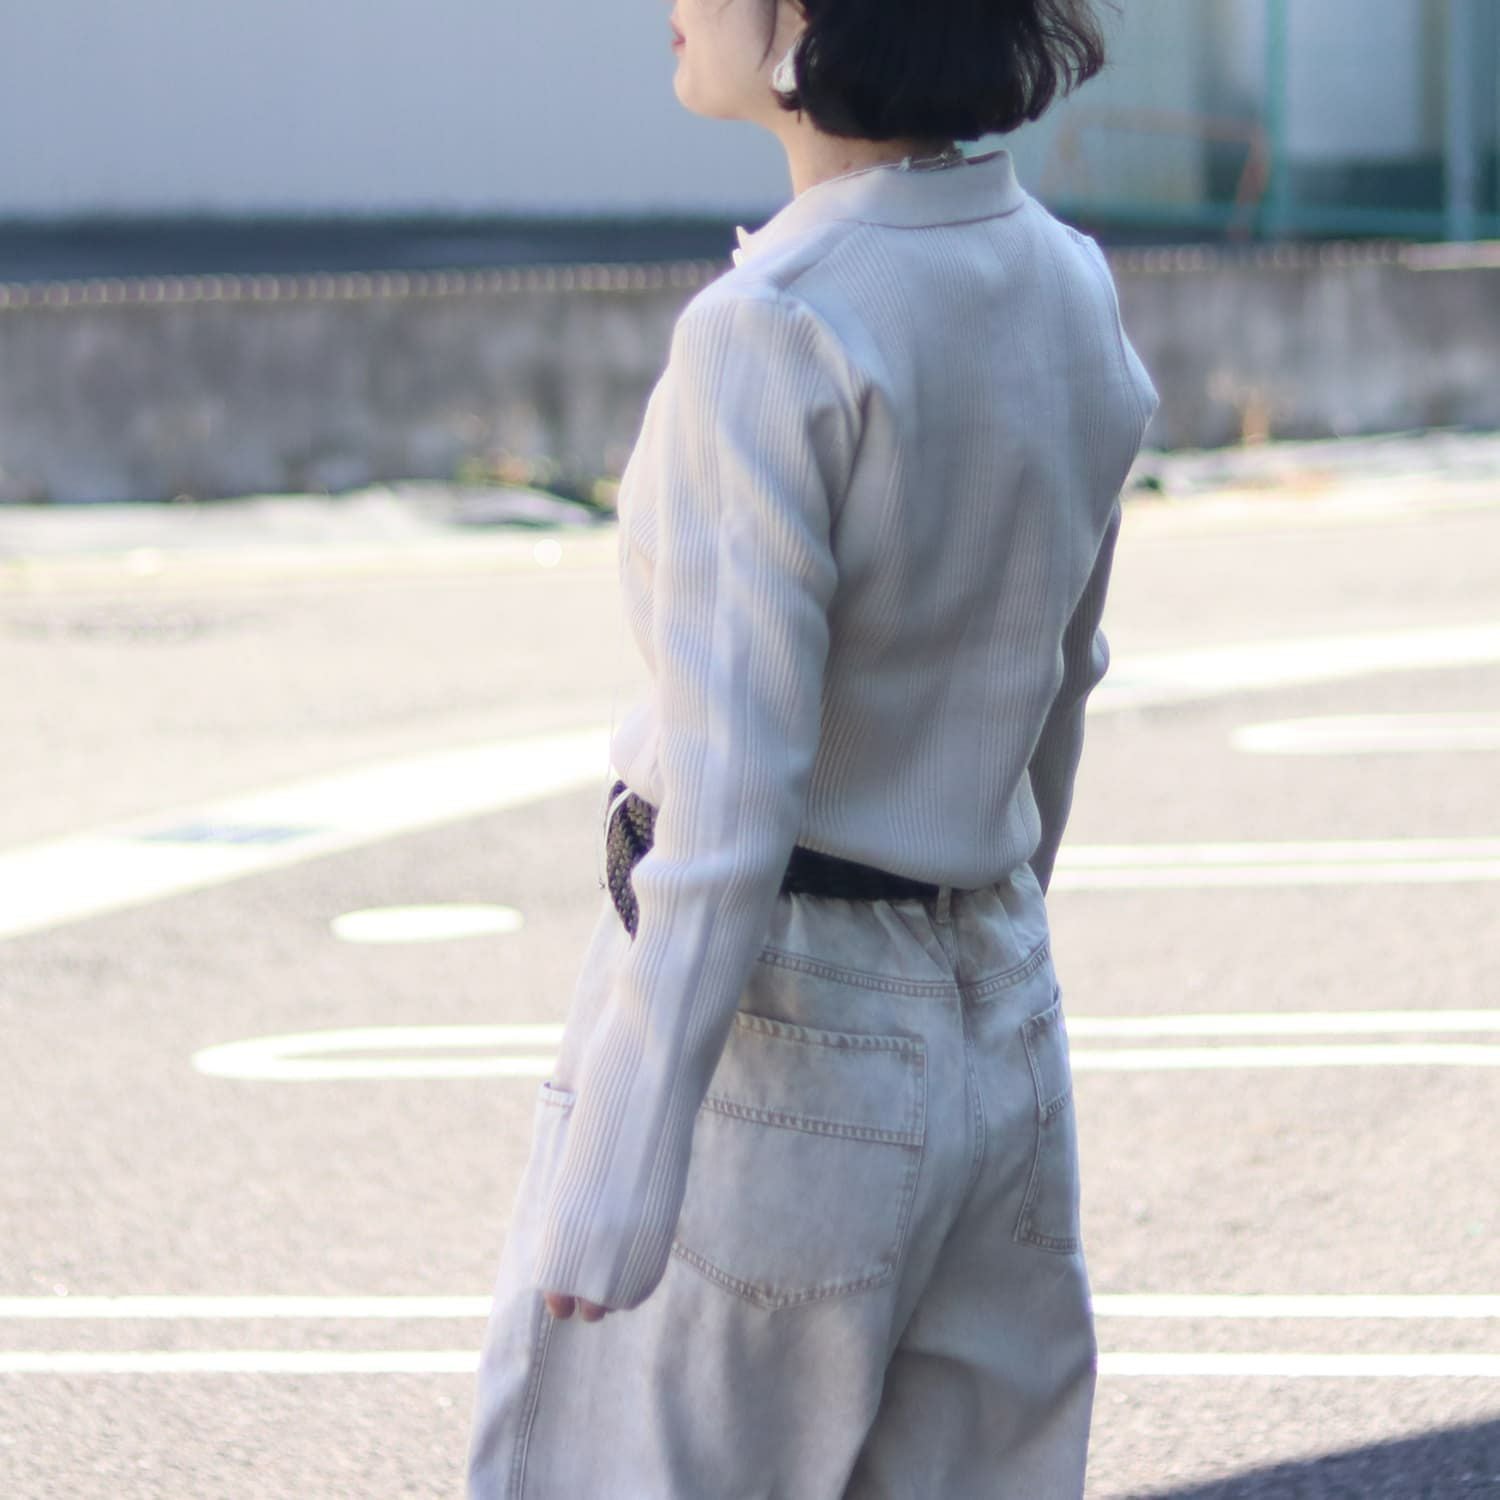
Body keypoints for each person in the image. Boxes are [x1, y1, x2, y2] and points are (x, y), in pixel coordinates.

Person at [468, 0, 1158, 1493]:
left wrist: (622, 1164)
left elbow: (734, 784)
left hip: (781, 1038)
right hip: (998, 1005)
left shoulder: (773, 325)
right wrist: (989, 936)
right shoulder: (1067, 281)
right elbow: (1061, 679)